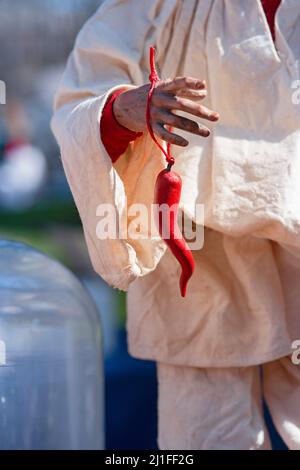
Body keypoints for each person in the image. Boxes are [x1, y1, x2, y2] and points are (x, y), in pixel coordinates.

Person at [51, 0, 300, 450]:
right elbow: (77, 108)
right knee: (207, 435)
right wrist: (125, 110)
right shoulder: (151, 8)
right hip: (199, 270)